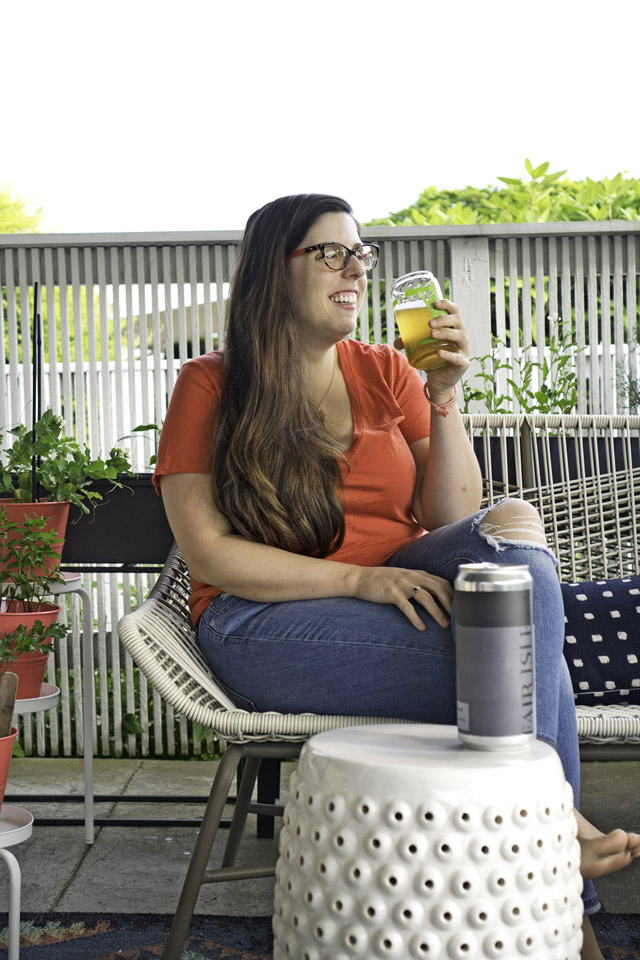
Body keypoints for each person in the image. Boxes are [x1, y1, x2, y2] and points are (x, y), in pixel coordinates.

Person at [154, 193, 639, 958]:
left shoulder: (386, 370)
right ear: (271, 272)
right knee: (522, 661)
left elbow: (453, 517)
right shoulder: (211, 386)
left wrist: (444, 399)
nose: (356, 270)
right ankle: (557, 863)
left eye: (361, 254)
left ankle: (547, 841)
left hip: (404, 590)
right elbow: (209, 554)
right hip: (264, 621)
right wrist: (356, 582)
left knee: (513, 530)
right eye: (331, 253)